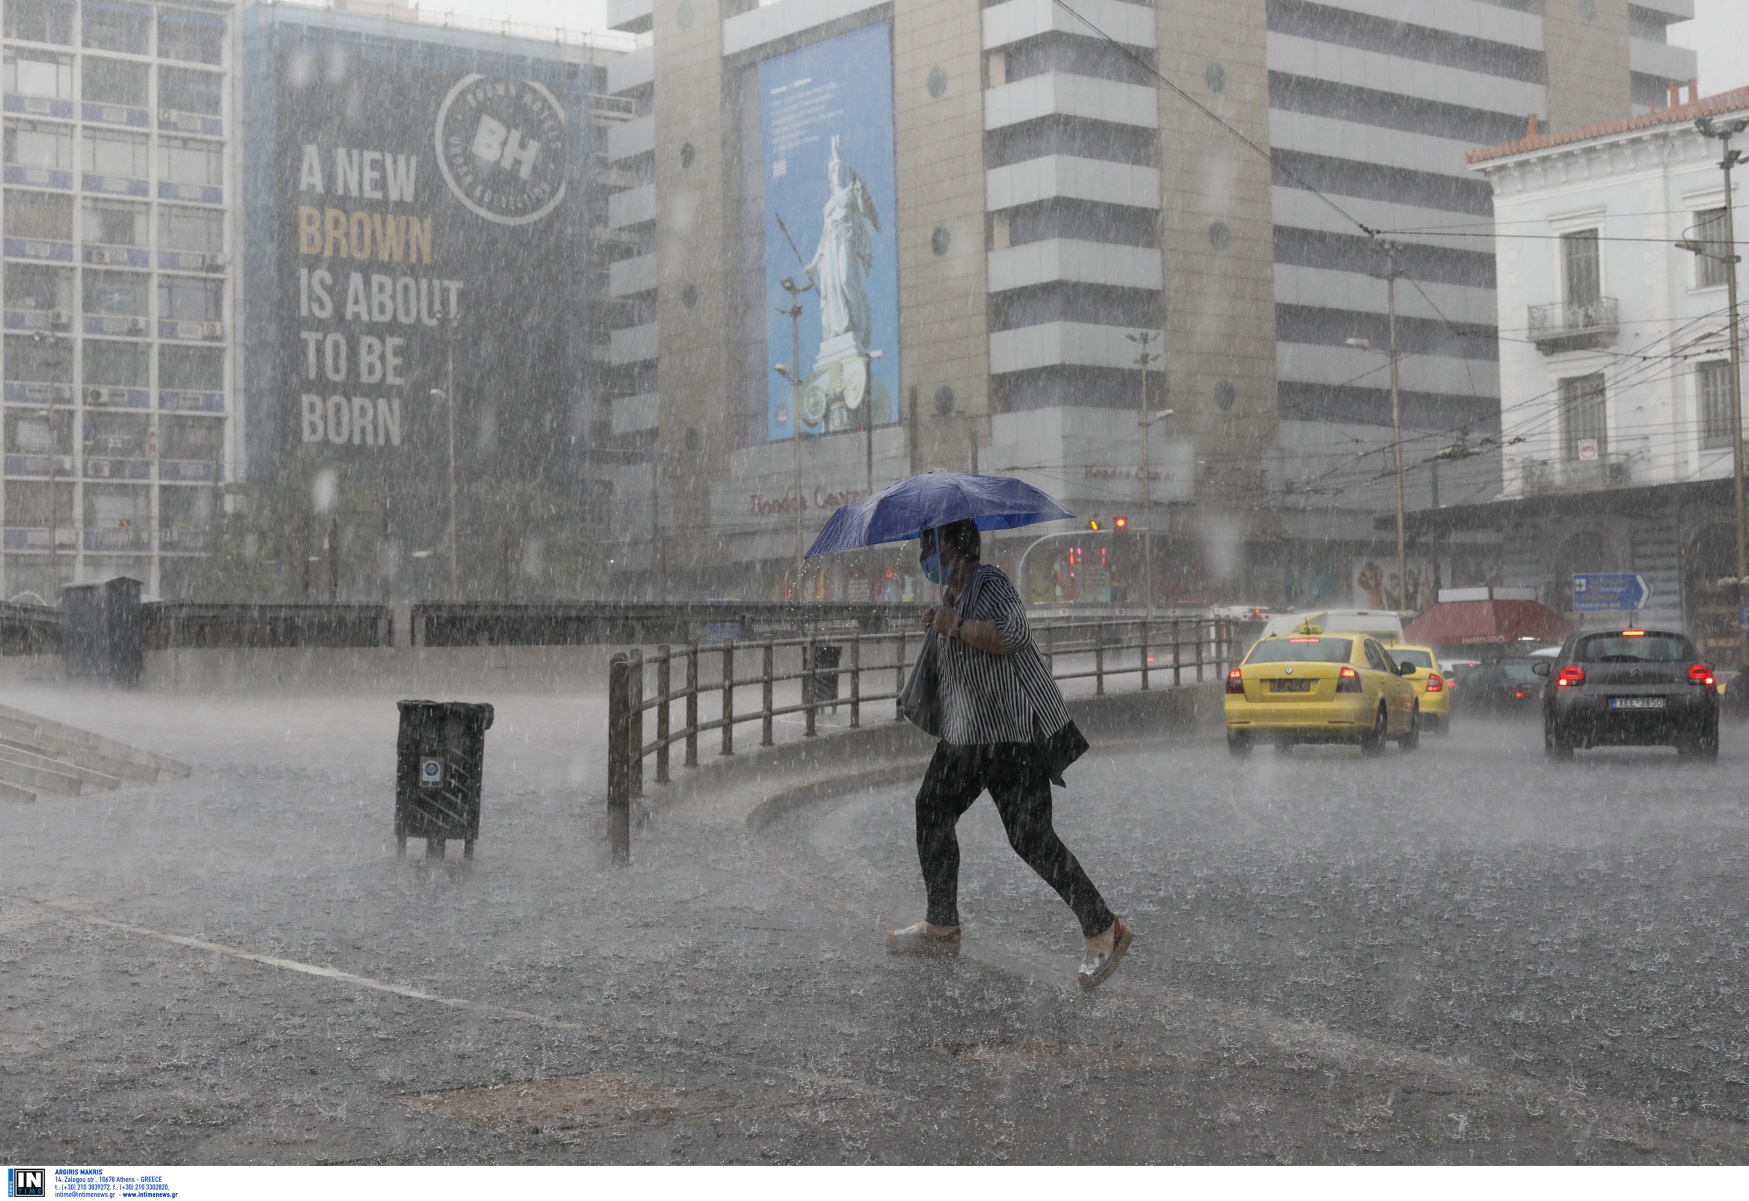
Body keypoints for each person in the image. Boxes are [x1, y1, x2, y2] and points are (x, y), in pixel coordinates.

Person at [885, 518, 1133, 988]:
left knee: (1032, 839)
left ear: (958, 547)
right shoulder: (951, 595)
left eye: (930, 544)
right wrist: (944, 623)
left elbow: (1015, 633)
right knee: (932, 809)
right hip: (968, 737)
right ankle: (942, 922)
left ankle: (1105, 929)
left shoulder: (990, 582)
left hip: (1011, 737)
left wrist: (954, 625)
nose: (924, 556)